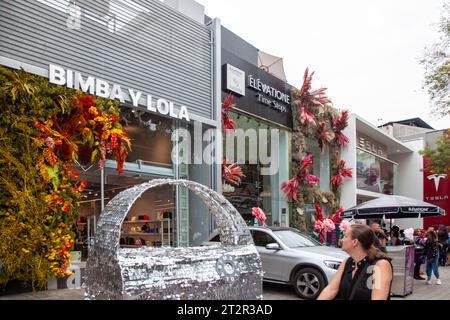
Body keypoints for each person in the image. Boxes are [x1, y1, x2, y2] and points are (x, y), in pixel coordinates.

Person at [318, 224, 393, 300]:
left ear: (355, 242)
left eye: (345, 236)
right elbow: (331, 289)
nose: (342, 239)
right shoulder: (347, 262)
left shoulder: (379, 266)